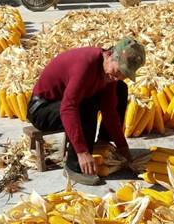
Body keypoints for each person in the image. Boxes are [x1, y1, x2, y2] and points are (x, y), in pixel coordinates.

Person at [27, 37, 146, 185]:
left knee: (120, 89)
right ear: (109, 55)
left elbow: (109, 110)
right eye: (119, 70)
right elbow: (68, 108)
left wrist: (122, 145)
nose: (118, 77)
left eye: (124, 74)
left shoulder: (107, 72)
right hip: (41, 109)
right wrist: (82, 152)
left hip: (63, 102)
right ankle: (74, 166)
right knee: (87, 106)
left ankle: (103, 143)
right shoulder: (85, 67)